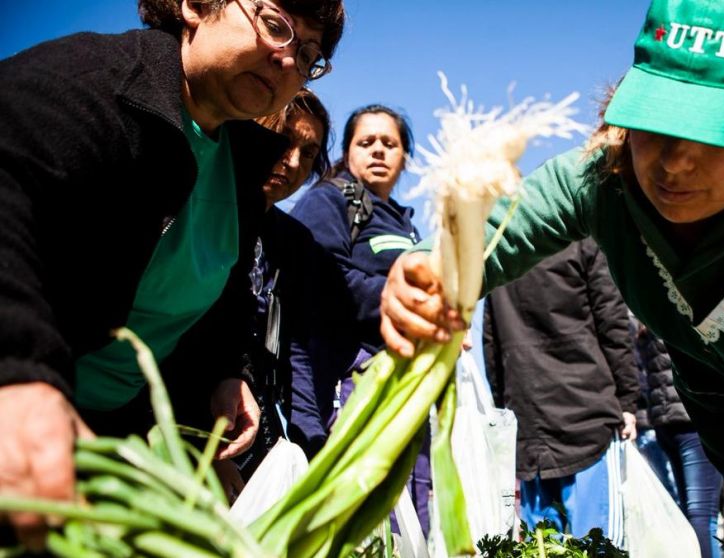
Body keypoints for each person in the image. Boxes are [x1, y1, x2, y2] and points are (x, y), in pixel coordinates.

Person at [378, 0, 724, 555]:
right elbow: (496, 231)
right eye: (656, 123)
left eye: (715, 133)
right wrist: (430, 270)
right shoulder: (605, 175)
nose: (674, 162)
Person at [0, 0, 344, 548]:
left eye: (308, 55)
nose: (287, 61)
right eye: (274, 26)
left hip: (121, 425)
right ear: (195, 6)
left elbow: (224, 285)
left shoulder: (241, 159)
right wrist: (20, 375)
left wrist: (225, 372)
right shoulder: (92, 86)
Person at [287, 105, 429, 531]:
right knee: (364, 519)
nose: (378, 151)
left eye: (390, 143)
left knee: (412, 516)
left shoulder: (408, 226)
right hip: (353, 383)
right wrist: (403, 303)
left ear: (404, 156)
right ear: (347, 152)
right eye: (366, 142)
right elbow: (321, 273)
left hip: (409, 391)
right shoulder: (331, 200)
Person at [482, 238, 640, 539]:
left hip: (529, 425)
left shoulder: (501, 252)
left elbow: (491, 346)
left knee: (540, 547)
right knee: (598, 544)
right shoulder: (581, 239)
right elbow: (612, 322)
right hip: (587, 417)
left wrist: (508, 414)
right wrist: (627, 400)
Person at [229, 88, 331, 485]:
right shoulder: (209, 211)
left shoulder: (293, 241)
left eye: (308, 153)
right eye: (285, 140)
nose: (292, 162)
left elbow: (296, 349)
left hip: (260, 419)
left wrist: (312, 442)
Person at [634, 320, 722, 558]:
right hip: (692, 420)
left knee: (689, 513)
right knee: (703, 515)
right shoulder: (677, 313)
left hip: (665, 422)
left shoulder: (646, 321)